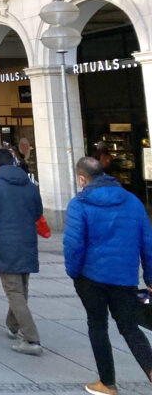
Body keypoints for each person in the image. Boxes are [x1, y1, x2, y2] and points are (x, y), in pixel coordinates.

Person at [64, 156, 152, 395]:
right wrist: (150, 278)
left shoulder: (79, 203)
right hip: (124, 276)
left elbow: (73, 244)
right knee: (130, 327)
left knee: (97, 325)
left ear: (82, 178)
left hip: (91, 276)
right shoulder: (132, 201)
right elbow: (147, 242)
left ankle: (107, 382)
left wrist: (73, 272)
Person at [0, 147, 44, 355]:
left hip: (4, 241)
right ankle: (12, 325)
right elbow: (37, 211)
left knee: (14, 290)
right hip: (26, 239)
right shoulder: (29, 184)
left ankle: (32, 339)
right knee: (22, 286)